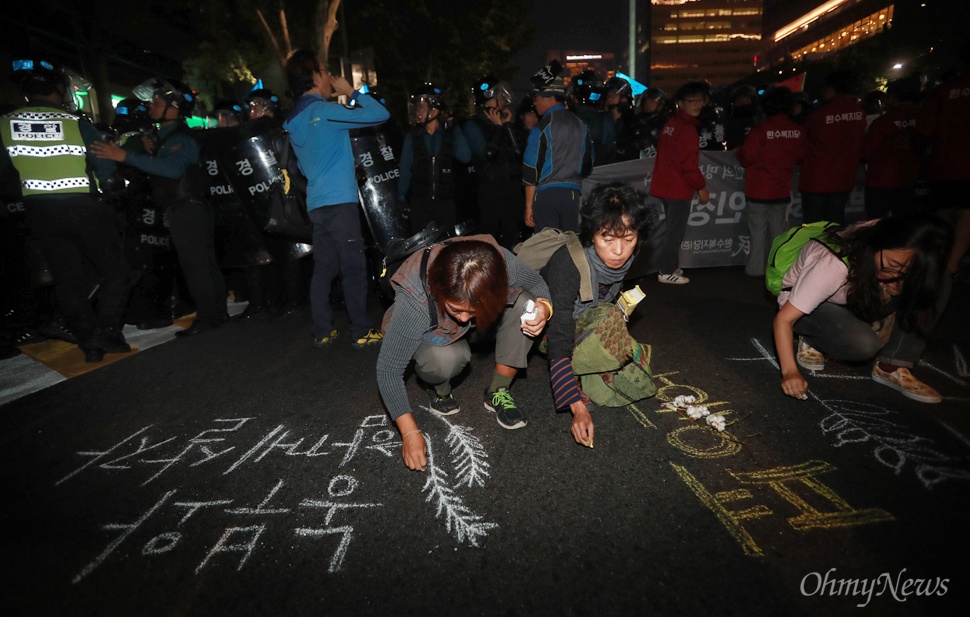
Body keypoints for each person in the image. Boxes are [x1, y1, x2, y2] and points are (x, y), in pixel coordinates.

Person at [376, 236, 553, 471]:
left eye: (470, 310)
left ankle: (497, 390)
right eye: (456, 309)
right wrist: (409, 432)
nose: (462, 318)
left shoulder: (501, 263)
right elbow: (388, 370)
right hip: (433, 330)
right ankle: (440, 389)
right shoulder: (415, 297)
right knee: (445, 360)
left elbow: (538, 284)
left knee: (526, 303)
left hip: (483, 324)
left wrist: (544, 309)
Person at [0, 58, 130, 362]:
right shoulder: (74, 121)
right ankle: (109, 332)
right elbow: (105, 167)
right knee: (115, 271)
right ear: (58, 91)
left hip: (39, 212)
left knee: (68, 280)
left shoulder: (5, 124)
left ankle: (90, 343)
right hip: (82, 206)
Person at [92, 77, 229, 338]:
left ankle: (209, 316)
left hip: (188, 208)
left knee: (196, 265)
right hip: (185, 207)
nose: (150, 106)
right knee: (203, 263)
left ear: (175, 108)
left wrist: (124, 156)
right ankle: (216, 313)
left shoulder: (182, 138)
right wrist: (152, 150)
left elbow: (172, 168)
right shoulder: (167, 138)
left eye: (157, 101)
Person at [773, 214, 951, 404]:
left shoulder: (892, 238)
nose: (897, 275)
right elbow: (784, 320)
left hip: (851, 294)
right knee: (863, 344)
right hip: (811, 303)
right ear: (877, 245)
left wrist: (899, 283)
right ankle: (813, 338)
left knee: (938, 279)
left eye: (905, 271)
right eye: (893, 267)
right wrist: (790, 372)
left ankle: (891, 366)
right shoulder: (833, 265)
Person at [282, 49, 389, 348]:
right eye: (325, 71)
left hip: (316, 203)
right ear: (314, 76)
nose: (329, 77)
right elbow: (380, 114)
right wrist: (352, 92)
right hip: (341, 202)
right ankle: (360, 330)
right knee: (353, 266)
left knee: (325, 269)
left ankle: (322, 329)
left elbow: (302, 167)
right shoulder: (324, 112)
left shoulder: (295, 120)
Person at [542, 183, 652, 447]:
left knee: (636, 374)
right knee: (607, 321)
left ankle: (589, 360)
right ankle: (581, 369)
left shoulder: (628, 255)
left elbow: (610, 295)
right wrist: (576, 407)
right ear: (592, 235)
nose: (618, 251)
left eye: (628, 239)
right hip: (548, 327)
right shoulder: (567, 264)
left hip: (586, 317)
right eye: (608, 239)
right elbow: (558, 334)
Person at [736, 86, 807, 277]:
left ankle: (755, 269)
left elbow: (747, 156)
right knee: (778, 232)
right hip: (781, 189)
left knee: (757, 231)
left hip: (759, 188)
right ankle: (778, 269)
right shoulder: (798, 131)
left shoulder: (761, 130)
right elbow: (800, 156)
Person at [649, 81, 712, 285]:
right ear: (680, 103)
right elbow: (688, 165)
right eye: (691, 101)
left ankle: (669, 266)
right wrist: (701, 187)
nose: (697, 104)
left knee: (672, 230)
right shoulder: (686, 129)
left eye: (700, 100)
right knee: (675, 233)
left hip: (667, 185)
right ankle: (666, 271)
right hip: (677, 188)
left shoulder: (672, 125)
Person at [917, 41, 970, 279]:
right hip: (959, 164)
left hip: (945, 163)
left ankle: (944, 260)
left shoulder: (944, 92)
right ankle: (952, 263)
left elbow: (925, 131)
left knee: (946, 211)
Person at [522, 61, 594, 232]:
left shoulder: (542, 127)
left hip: (546, 196)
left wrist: (528, 207)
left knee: (547, 249)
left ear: (548, 96)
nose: (535, 103)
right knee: (570, 247)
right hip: (572, 196)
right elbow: (588, 164)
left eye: (536, 98)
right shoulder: (581, 125)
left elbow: (530, 170)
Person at [396, 83, 472, 235]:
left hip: (446, 203)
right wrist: (401, 197)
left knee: (445, 249)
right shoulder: (413, 137)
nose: (417, 112)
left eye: (421, 107)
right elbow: (405, 169)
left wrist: (455, 129)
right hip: (420, 203)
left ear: (435, 108)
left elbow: (466, 157)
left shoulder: (449, 135)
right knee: (422, 250)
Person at [798, 70, 866, 225]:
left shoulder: (819, 115)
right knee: (835, 223)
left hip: (816, 180)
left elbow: (802, 142)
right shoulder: (859, 113)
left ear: (830, 89)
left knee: (813, 228)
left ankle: (816, 250)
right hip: (843, 179)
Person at [463, 76, 523, 250]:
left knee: (512, 237)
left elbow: (519, 153)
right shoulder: (473, 125)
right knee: (489, 236)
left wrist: (508, 126)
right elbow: (487, 154)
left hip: (512, 185)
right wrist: (497, 127)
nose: (504, 99)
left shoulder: (506, 122)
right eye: (500, 95)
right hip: (491, 188)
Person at [863, 76, 921, 220]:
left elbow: (867, 150)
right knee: (905, 222)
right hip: (909, 179)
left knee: (876, 223)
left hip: (880, 180)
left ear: (893, 97)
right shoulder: (922, 117)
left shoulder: (882, 122)